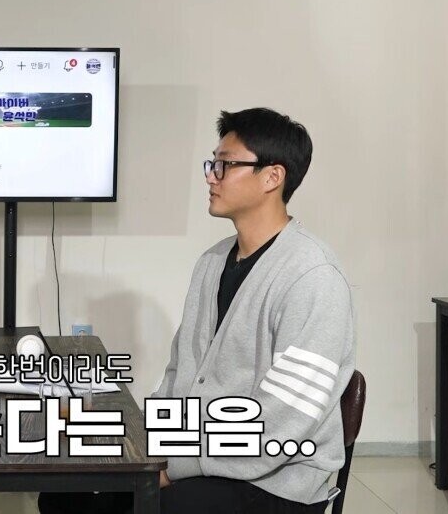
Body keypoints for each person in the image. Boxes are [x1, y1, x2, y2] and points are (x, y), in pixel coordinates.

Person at [39, 107, 356, 514]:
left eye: (225, 165)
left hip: (275, 482)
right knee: (63, 494)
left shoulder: (313, 277)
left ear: (272, 177)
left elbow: (282, 424)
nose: (211, 176)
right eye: (212, 164)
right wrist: (145, 447)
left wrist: (172, 467)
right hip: (198, 458)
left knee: (152, 506)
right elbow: (178, 375)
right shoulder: (212, 262)